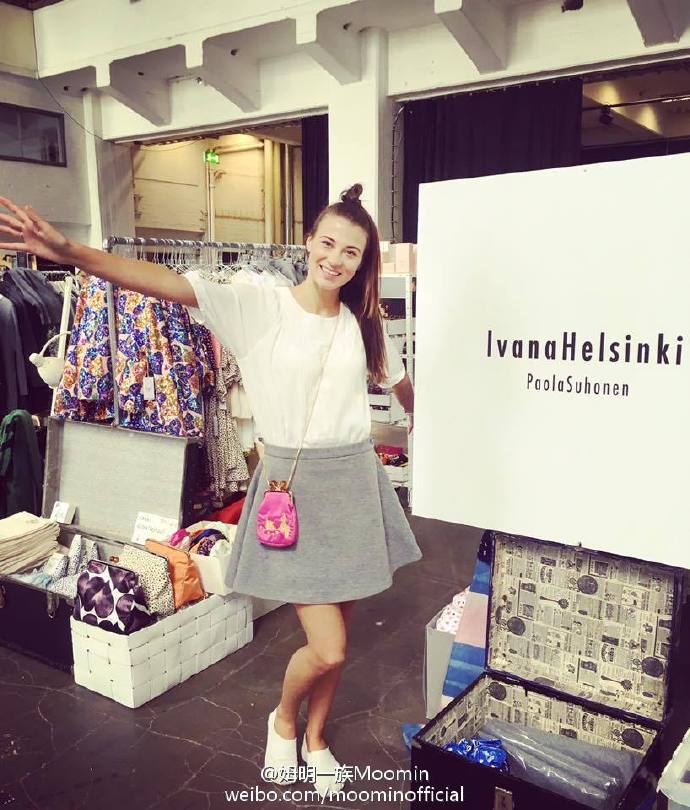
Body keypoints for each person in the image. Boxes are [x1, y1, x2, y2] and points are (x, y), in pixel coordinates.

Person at [0, 184, 422, 798]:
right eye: (328, 243)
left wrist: (425, 418)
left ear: (363, 263)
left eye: (351, 252)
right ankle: (283, 720)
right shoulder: (260, 305)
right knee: (327, 648)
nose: (335, 259)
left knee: (342, 630)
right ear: (308, 241)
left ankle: (316, 739)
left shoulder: (365, 324)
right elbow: (164, 283)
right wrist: (71, 252)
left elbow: (403, 387)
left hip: (356, 482)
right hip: (293, 489)